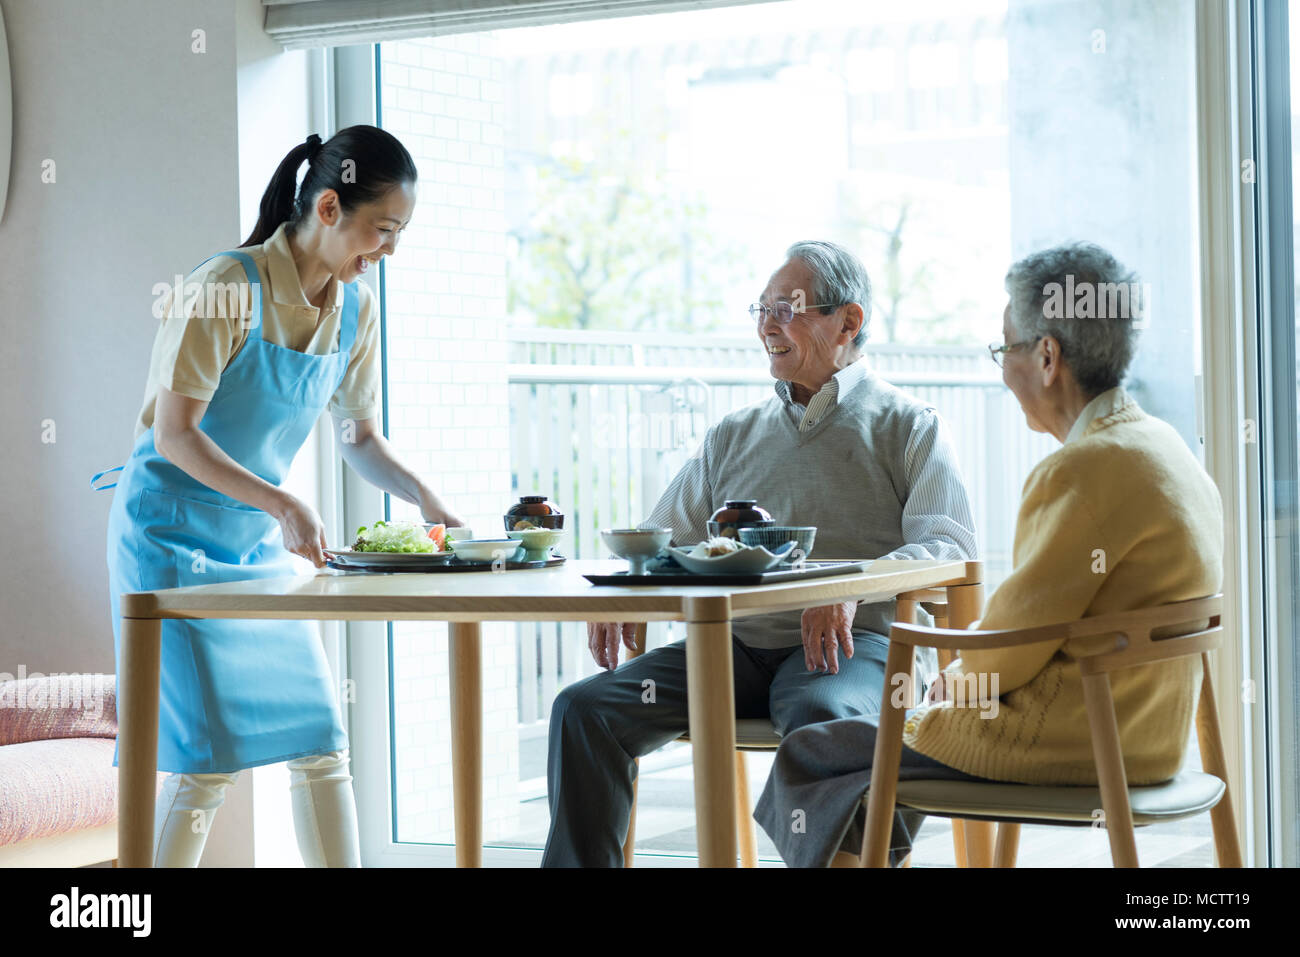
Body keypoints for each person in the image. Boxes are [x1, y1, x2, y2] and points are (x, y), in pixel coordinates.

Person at [754, 241, 1224, 867]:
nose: (1004, 369)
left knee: (818, 753)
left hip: (1074, 737)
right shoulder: (1162, 448)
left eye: (1006, 349)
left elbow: (1010, 648)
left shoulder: (1083, 468)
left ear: (1048, 357)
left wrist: (945, 686)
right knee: (872, 749)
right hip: (1149, 735)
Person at [94, 126, 464, 867]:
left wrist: (427, 497)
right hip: (167, 541)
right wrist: (283, 504)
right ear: (329, 206)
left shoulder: (354, 312)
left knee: (321, 741)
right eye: (382, 230)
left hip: (255, 547)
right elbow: (176, 435)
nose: (388, 251)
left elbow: (358, 438)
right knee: (206, 761)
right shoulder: (225, 288)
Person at [541, 240, 979, 867]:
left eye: (788, 308)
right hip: (735, 652)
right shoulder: (732, 435)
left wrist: (849, 586)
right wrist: (622, 583)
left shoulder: (909, 424)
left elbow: (948, 544)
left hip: (858, 651)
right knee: (585, 709)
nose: (766, 325)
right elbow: (663, 535)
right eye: (761, 308)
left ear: (848, 322)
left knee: (824, 717)